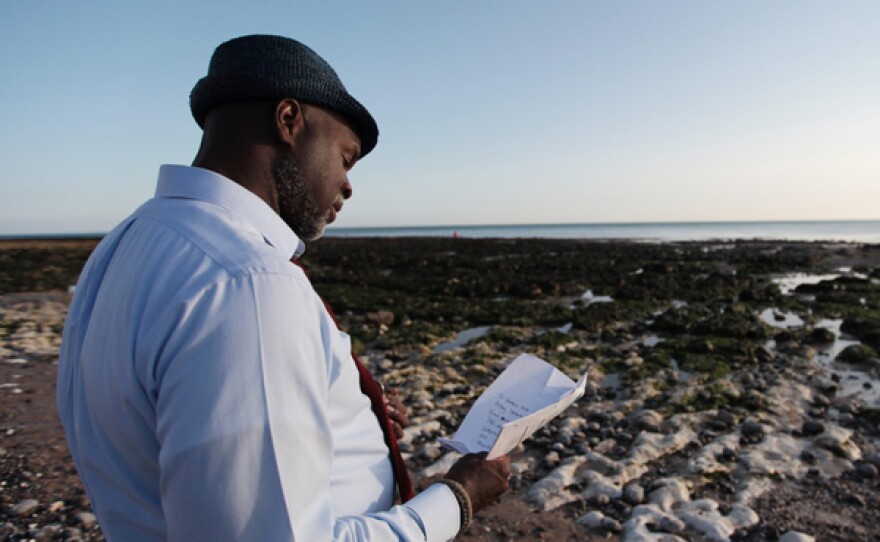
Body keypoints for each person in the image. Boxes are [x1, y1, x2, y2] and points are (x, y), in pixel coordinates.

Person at [57, 34, 510, 541]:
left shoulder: (123, 246)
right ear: (289, 119)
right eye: (345, 157)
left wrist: (347, 411)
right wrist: (456, 499)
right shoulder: (248, 285)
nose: (348, 185)